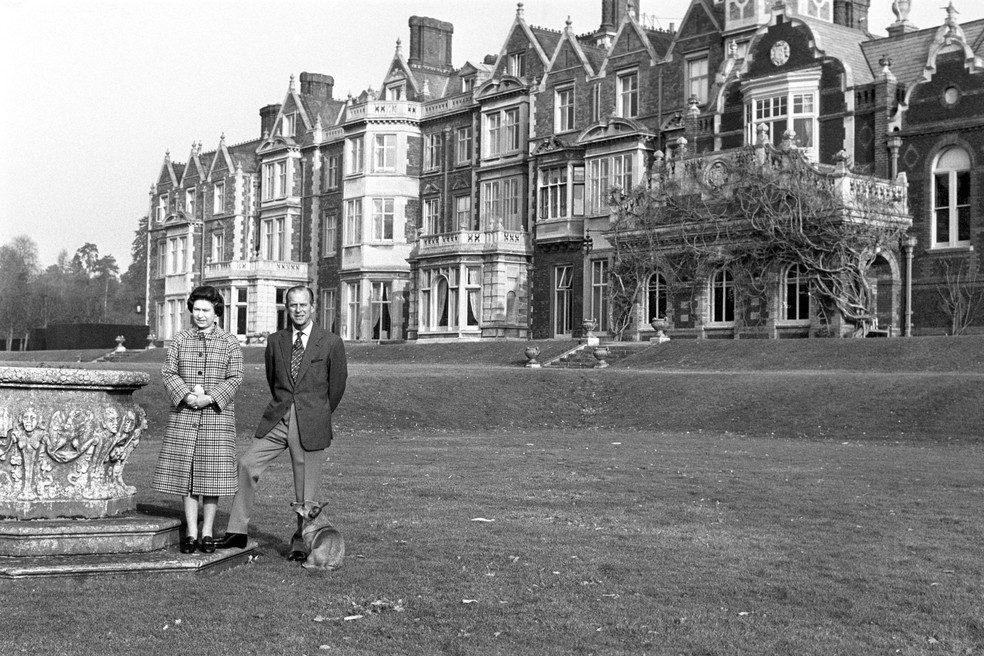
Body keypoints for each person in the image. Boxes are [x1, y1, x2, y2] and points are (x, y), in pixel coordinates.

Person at [215, 285, 347, 562]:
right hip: (278, 417)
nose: (298, 310)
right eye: (292, 305)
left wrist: (317, 415)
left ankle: (301, 544)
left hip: (311, 421)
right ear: (286, 308)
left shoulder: (331, 342)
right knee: (247, 463)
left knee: (305, 491)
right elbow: (273, 378)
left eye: (303, 305)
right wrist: (286, 408)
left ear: (313, 307)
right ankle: (237, 531)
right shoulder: (276, 340)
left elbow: (336, 387)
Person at [152, 286, 244, 555]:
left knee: (211, 476)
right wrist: (186, 395)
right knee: (188, 475)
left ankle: (207, 531)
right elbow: (169, 373)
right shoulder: (180, 340)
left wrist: (211, 397)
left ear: (217, 313)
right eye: (196, 310)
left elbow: (236, 377)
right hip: (185, 415)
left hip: (216, 416)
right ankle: (191, 532)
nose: (200, 315)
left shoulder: (229, 342)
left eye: (206, 310)